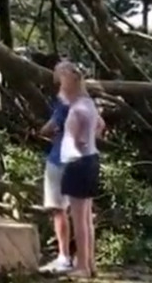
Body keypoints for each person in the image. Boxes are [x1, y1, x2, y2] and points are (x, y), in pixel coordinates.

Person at [55, 61, 103, 278]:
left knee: (78, 219)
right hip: (92, 160)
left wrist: (78, 144)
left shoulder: (76, 110)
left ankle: (82, 266)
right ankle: (89, 263)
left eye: (60, 81)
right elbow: (101, 125)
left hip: (78, 164)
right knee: (86, 218)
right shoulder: (89, 104)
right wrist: (90, 138)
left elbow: (72, 140)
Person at [39, 85, 73, 272]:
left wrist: (44, 131)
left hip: (59, 159)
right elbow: (99, 124)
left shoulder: (63, 102)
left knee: (58, 210)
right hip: (80, 160)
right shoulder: (85, 102)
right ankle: (84, 259)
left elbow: (48, 128)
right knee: (80, 211)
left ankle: (64, 256)